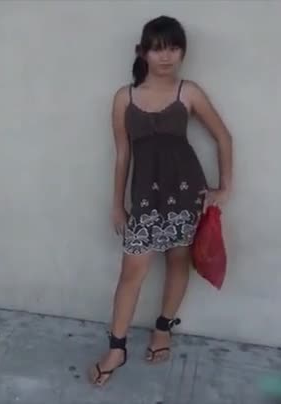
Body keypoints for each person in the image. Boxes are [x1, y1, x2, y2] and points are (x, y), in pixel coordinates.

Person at [89, 15, 234, 386]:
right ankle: (116, 348)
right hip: (144, 199)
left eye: (173, 48)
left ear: (182, 52)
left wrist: (223, 187)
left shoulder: (189, 92)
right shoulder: (124, 97)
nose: (166, 56)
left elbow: (223, 137)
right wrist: (117, 204)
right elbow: (123, 154)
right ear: (142, 52)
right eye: (157, 49)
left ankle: (163, 328)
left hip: (186, 194)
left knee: (178, 261)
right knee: (131, 273)